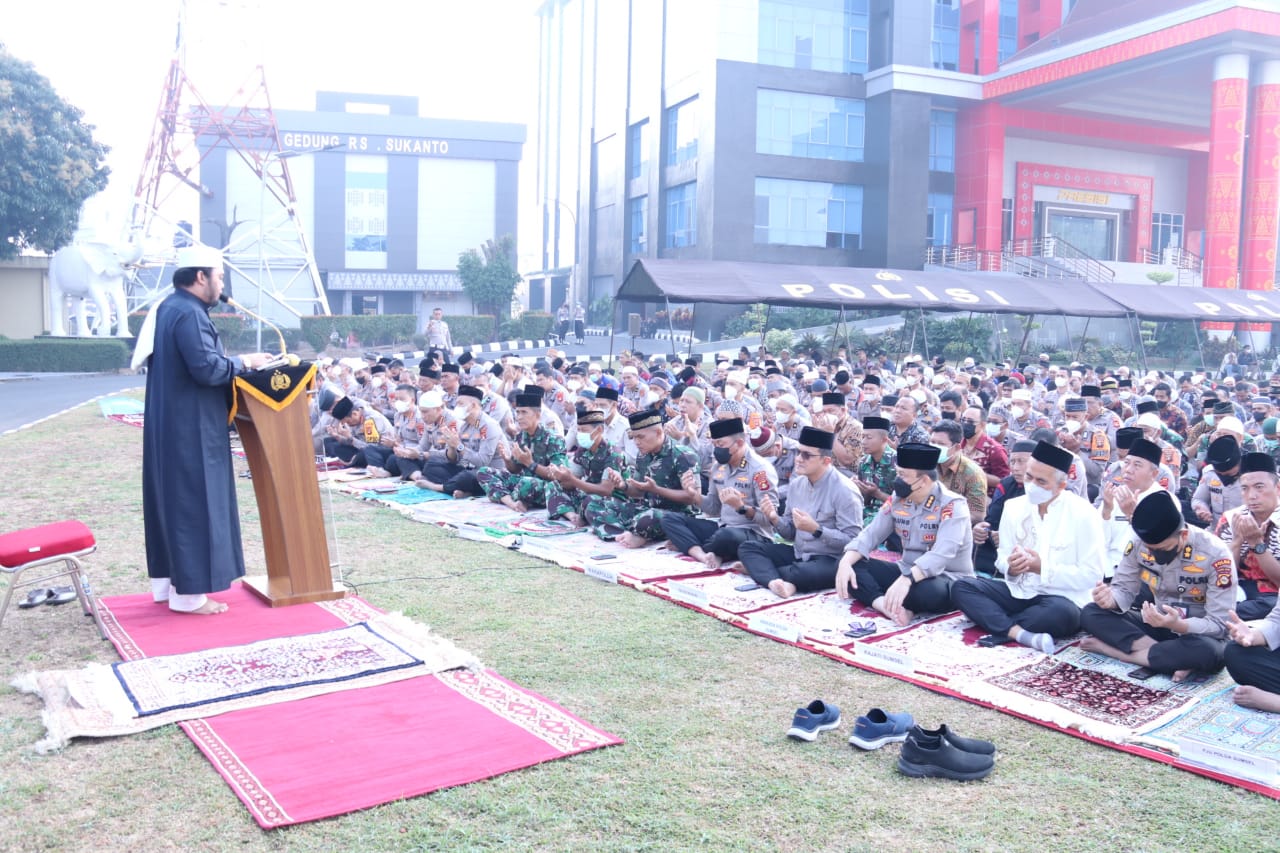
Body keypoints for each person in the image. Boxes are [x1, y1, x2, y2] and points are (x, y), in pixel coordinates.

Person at [142, 245, 274, 615]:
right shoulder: (189, 313)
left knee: (176, 502)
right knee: (194, 505)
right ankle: (189, 596)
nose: (222, 284)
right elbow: (207, 369)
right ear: (200, 277)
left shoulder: (171, 308)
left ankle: (172, 587)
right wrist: (246, 361)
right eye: (219, 277)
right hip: (191, 428)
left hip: (176, 423)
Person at [951, 441, 1105, 652]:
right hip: (1020, 590)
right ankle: (1019, 634)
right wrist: (1011, 567)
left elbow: (1091, 575)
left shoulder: (1084, 514)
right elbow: (1002, 557)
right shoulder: (1013, 507)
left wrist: (1042, 568)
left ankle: (995, 622)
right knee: (962, 587)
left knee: (1061, 614)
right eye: (1029, 477)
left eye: (1041, 481)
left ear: (1061, 485)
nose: (1032, 485)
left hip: (1062, 598)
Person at [1080, 490, 1234, 680]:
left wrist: (1180, 625)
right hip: (1159, 624)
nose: (1154, 556)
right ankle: (1173, 660)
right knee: (1091, 612)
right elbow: (1124, 589)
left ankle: (1121, 653)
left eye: (1161, 550)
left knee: (1209, 653)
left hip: (1198, 634)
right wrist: (1109, 600)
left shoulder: (1216, 554)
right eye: (1150, 550)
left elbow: (1220, 625)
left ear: (1183, 535)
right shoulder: (1139, 543)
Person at [835, 443, 974, 625]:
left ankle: (895, 598)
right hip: (905, 571)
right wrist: (845, 562)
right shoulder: (898, 499)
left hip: (946, 578)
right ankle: (883, 603)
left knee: (927, 591)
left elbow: (942, 554)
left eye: (902, 475)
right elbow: (871, 534)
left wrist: (908, 579)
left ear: (923, 481)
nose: (897, 479)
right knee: (849, 565)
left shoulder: (952, 505)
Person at [742, 426, 864, 598]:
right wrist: (774, 518)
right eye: (799, 453)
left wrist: (817, 530)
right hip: (799, 554)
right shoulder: (797, 484)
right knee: (749, 548)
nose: (798, 459)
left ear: (826, 460)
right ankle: (775, 580)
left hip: (829, 559)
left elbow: (853, 542)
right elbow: (790, 534)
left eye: (806, 455)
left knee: (804, 573)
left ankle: (766, 572)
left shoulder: (845, 490)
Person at [661, 417, 777, 568]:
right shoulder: (718, 468)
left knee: (725, 537)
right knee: (669, 519)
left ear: (740, 443)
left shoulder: (760, 470)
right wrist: (694, 495)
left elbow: (771, 520)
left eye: (721, 444)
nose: (716, 449)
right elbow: (714, 508)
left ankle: (693, 546)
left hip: (754, 534)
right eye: (714, 444)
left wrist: (741, 507)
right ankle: (703, 553)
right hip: (724, 526)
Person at [582, 408, 701, 546]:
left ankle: (635, 532)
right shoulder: (643, 455)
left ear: (658, 432)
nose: (636, 442)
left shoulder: (684, 455)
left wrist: (656, 489)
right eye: (634, 437)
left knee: (648, 518)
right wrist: (623, 485)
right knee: (594, 503)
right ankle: (623, 535)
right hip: (646, 509)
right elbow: (639, 490)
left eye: (641, 437)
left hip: (675, 516)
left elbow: (694, 498)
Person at [477, 393, 569, 511]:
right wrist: (507, 460)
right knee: (484, 471)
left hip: (544, 487)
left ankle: (504, 496)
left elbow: (558, 476)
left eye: (524, 412)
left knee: (528, 483)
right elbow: (515, 469)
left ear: (537, 415)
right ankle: (511, 502)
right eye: (518, 412)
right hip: (523, 483)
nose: (519, 417)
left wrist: (531, 464)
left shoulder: (554, 439)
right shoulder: (521, 437)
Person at [1216, 452, 1280, 621]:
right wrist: (1237, 542)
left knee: (1263, 607)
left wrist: (1257, 544)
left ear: (1277, 488)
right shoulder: (1231, 518)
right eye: (1245, 488)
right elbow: (1222, 577)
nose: (1251, 495)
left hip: (1272, 595)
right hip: (1238, 589)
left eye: (1259, 487)